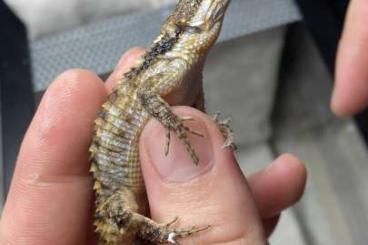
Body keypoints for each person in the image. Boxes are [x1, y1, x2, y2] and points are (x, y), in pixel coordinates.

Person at [4, 0, 367, 239]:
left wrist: (205, 126)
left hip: (135, 174)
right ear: (189, 20)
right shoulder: (172, 61)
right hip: (117, 191)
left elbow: (189, 104)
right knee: (123, 212)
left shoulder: (185, 66)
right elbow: (147, 96)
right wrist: (176, 128)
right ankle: (160, 236)